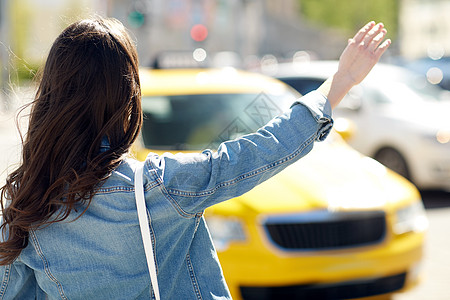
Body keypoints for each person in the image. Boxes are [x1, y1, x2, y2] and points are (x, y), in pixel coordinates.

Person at [0, 18, 390, 299]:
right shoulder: (159, 188)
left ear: (51, 95)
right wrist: (338, 83)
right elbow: (260, 149)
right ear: (127, 98)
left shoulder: (25, 206)